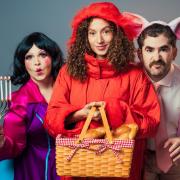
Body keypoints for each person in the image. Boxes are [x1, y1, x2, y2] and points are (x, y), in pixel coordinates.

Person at [44, 2, 160, 180]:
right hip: (78, 171)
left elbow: (151, 123)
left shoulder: (135, 75)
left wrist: (117, 110)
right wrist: (79, 114)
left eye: (106, 31)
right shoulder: (68, 73)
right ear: (84, 36)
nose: (99, 40)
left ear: (117, 34)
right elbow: (51, 120)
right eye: (92, 33)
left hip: (122, 172)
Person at [0, 32, 63, 180]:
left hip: (73, 167)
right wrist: (2, 144)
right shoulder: (18, 101)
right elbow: (14, 146)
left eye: (42, 54)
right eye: (29, 57)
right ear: (23, 63)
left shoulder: (70, 91)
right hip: (33, 170)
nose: (37, 63)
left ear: (53, 57)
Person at [137, 18, 180, 180]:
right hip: (140, 158)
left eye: (163, 49)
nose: (156, 57)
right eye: (149, 50)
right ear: (140, 54)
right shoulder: (130, 81)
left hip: (176, 160)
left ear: (174, 52)